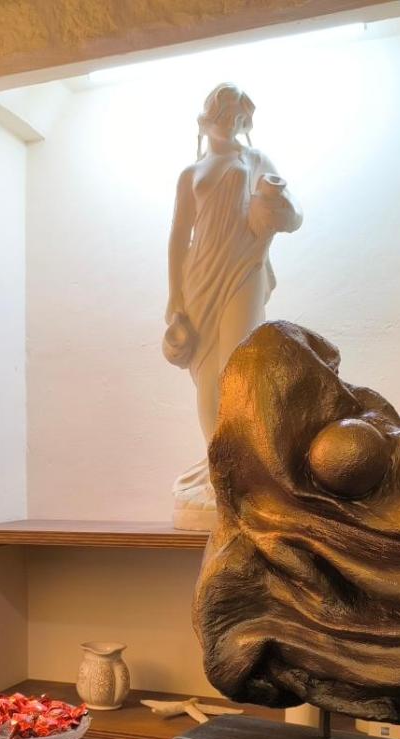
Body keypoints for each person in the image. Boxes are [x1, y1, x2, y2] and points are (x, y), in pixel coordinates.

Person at [164, 83, 302, 529]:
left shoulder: (256, 161)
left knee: (236, 367)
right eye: (223, 115)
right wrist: (174, 295)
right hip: (200, 276)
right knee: (206, 372)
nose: (230, 124)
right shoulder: (190, 173)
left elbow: (293, 214)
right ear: (208, 119)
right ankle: (218, 470)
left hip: (244, 266)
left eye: (237, 117)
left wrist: (274, 203)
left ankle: (243, 468)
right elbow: (178, 235)